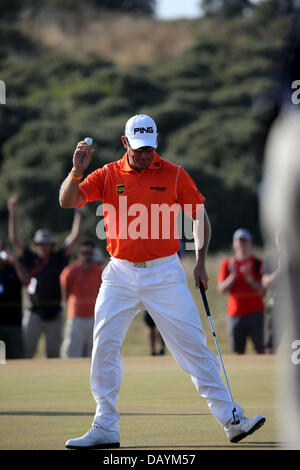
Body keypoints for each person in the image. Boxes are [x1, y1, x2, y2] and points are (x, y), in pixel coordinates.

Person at [59, 114, 265, 448]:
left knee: (193, 347)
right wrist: (76, 171)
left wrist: (199, 261)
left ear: (157, 143)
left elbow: (199, 215)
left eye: (150, 149)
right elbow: (68, 200)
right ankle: (105, 426)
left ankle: (232, 420)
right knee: (104, 345)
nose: (144, 155)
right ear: (125, 143)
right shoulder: (108, 174)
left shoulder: (175, 174)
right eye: (138, 149)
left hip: (164, 272)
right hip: (119, 272)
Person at [7, 194, 82, 358]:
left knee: (53, 353)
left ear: (50, 245)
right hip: (33, 311)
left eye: (46, 244)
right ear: (36, 245)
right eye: (40, 243)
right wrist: (13, 212)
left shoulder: (58, 258)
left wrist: (78, 213)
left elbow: (73, 238)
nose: (43, 246)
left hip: (54, 311)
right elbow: (14, 239)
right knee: (26, 351)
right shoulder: (29, 258)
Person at [218, 228, 265, 355]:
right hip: (235, 313)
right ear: (234, 244)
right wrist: (233, 275)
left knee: (260, 349)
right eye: (239, 241)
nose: (242, 244)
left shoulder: (258, 263)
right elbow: (221, 289)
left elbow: (262, 289)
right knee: (237, 351)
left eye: (245, 241)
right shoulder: (227, 264)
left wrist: (249, 278)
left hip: (255, 312)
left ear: (250, 243)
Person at [60, 240, 103, 358]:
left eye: (89, 253)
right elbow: (65, 293)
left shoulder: (100, 271)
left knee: (93, 354)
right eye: (84, 253)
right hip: (76, 318)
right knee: (72, 353)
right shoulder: (70, 271)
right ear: (79, 254)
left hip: (94, 318)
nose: (87, 256)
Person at [0, 243, 30, 359]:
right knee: (0, 361)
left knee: (16, 359)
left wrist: (15, 262)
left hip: (14, 324)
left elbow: (27, 281)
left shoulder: (13, 269)